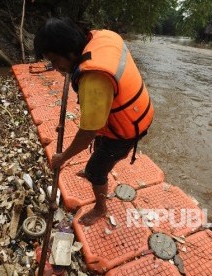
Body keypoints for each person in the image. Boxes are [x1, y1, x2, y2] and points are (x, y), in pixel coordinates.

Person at [34, 17, 154, 225]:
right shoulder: (103, 36)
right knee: (100, 148)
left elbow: (88, 132)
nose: (55, 67)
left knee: (97, 170)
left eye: (55, 61)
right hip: (129, 112)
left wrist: (62, 158)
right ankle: (94, 168)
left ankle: (100, 208)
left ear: (70, 51)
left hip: (125, 132)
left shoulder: (94, 78)